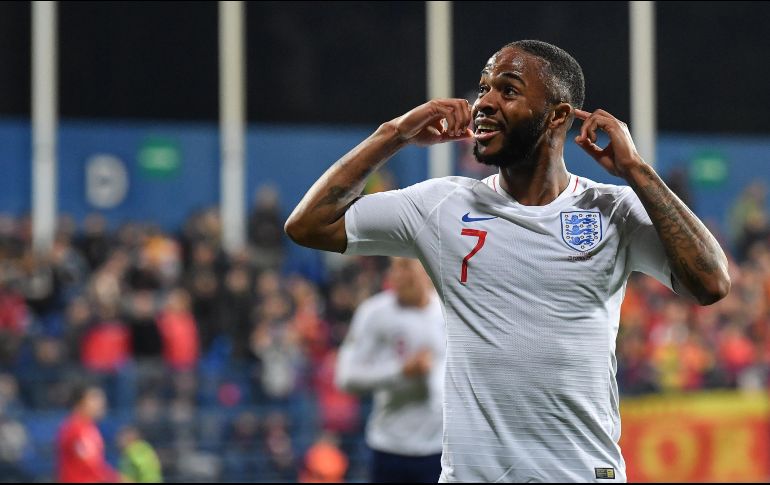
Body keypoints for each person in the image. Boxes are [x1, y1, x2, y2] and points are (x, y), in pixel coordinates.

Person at [285, 39, 730, 482]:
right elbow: (308, 226)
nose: (484, 102)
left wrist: (636, 170)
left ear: (557, 115)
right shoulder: (442, 205)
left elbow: (711, 284)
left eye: (508, 90)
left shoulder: (612, 209)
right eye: (484, 88)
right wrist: (394, 133)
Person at [335, 257, 445, 483]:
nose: (398, 275)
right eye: (395, 267)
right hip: (390, 445)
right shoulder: (375, 313)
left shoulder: (447, 313)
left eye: (406, 266)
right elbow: (346, 378)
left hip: (439, 448)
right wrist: (402, 371)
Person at [56, 384, 121, 483]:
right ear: (80, 402)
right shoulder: (75, 429)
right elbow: (92, 469)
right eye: (94, 399)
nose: (101, 404)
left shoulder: (89, 428)